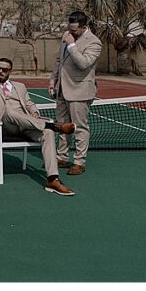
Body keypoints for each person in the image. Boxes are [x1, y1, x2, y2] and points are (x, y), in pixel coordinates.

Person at [0, 58, 78, 195]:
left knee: (47, 133)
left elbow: (30, 104)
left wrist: (35, 112)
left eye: (4, 70)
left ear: (10, 72)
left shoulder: (20, 86)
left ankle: (52, 179)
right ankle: (55, 126)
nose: (0, 72)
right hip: (4, 126)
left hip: (26, 125)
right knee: (9, 111)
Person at [50, 11, 102, 176]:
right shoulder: (66, 35)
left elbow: (83, 63)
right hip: (61, 89)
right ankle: (62, 157)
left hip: (80, 91)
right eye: (69, 29)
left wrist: (72, 45)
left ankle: (79, 162)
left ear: (84, 27)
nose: (70, 33)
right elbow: (59, 60)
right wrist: (53, 81)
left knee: (80, 127)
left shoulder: (94, 42)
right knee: (62, 126)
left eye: (74, 31)